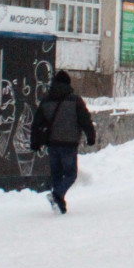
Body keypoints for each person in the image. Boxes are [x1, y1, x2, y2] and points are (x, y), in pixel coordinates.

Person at [30, 70, 96, 214]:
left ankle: (59, 202)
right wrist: (91, 136)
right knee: (71, 174)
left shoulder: (46, 100)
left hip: (52, 143)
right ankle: (57, 195)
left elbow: (37, 123)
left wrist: (35, 142)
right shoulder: (75, 100)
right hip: (69, 143)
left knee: (57, 175)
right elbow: (85, 120)